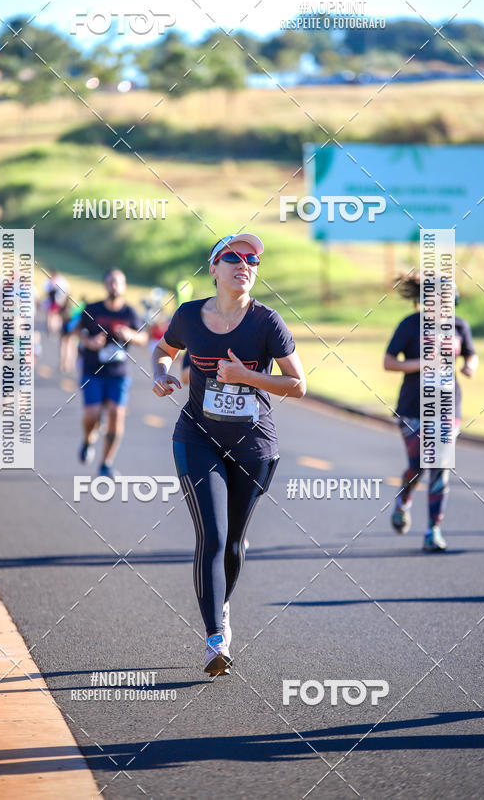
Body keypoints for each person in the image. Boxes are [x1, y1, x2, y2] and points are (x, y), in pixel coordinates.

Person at [151, 233, 306, 676]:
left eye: (252, 259)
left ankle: (221, 607)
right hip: (196, 437)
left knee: (234, 542)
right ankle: (215, 639)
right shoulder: (189, 315)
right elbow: (163, 350)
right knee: (213, 538)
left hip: (254, 447)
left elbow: (298, 385)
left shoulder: (267, 322)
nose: (245, 264)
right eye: (233, 257)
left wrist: (246, 376)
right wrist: (160, 374)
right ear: (214, 268)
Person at [384, 274, 478, 552]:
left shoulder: (460, 326)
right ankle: (404, 501)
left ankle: (433, 531)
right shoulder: (410, 325)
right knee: (418, 466)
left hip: (448, 407)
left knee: (440, 466)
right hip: (413, 408)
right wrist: (422, 364)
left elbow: (471, 353)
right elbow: (389, 362)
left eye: (448, 300)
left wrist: (470, 366)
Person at [78, 269, 148, 476]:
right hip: (93, 370)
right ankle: (88, 440)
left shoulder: (129, 313)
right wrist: (89, 341)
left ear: (124, 286)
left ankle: (106, 463)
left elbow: (144, 338)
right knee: (92, 414)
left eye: (118, 282)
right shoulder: (92, 308)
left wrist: (129, 334)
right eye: (110, 282)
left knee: (116, 415)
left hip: (118, 373)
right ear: (105, 285)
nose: (114, 286)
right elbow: (76, 329)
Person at [42, 270, 69, 336]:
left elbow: (62, 295)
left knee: (55, 315)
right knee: (52, 314)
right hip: (55, 301)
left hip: (58, 301)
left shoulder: (60, 283)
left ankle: (54, 328)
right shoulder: (51, 283)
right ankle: (51, 328)